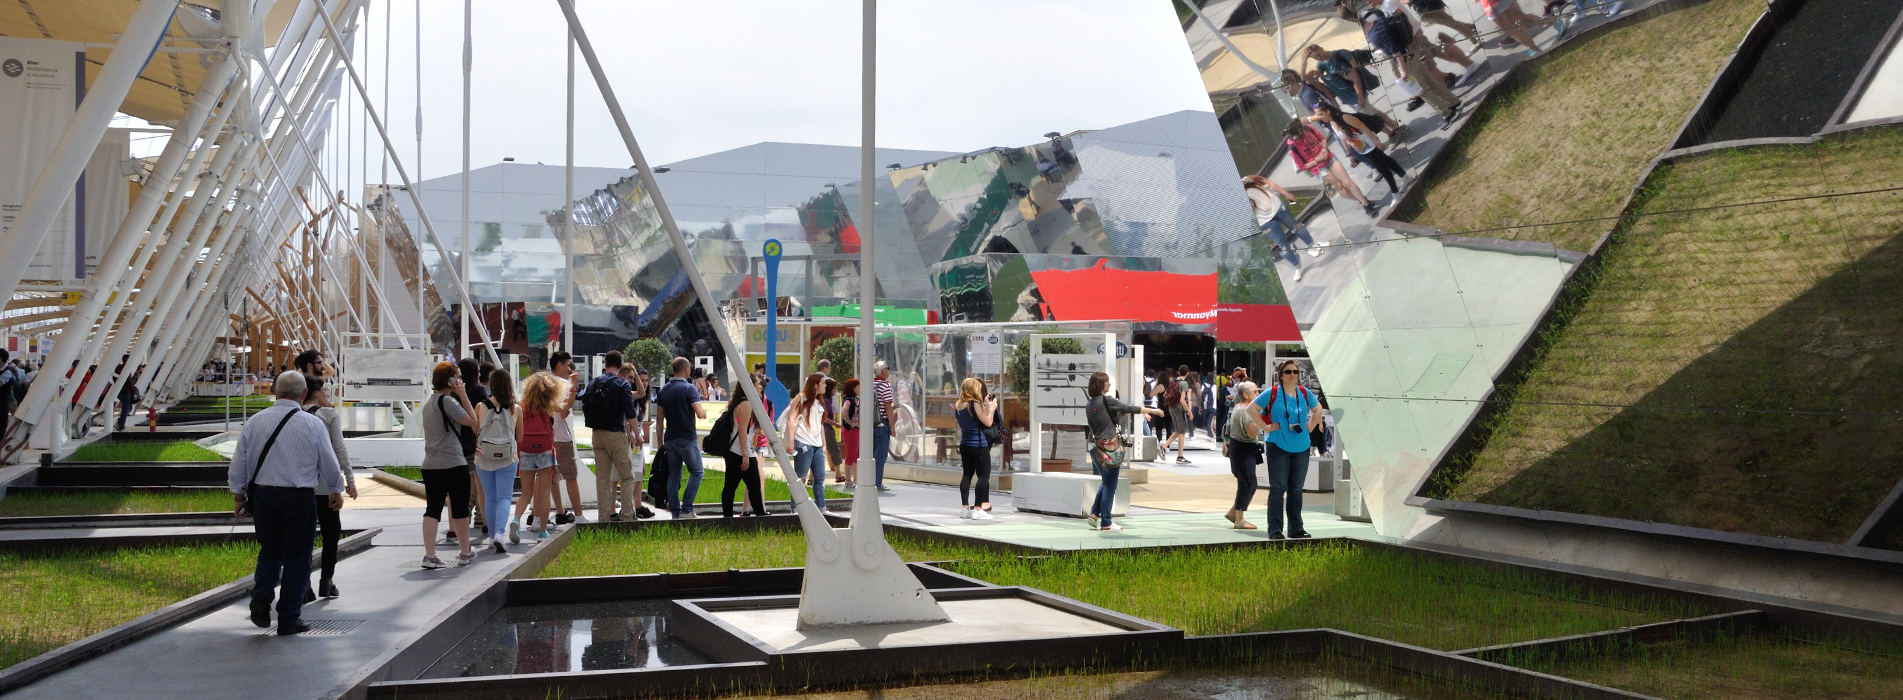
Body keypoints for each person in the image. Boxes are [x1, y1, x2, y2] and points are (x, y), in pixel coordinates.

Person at [227, 372, 344, 635]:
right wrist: (336, 490)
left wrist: (238, 496)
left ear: (276, 392)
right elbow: (329, 462)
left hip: (263, 498)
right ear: (303, 394)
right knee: (298, 557)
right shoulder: (312, 424)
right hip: (299, 498)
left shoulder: (255, 422)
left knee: (269, 550)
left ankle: (262, 597)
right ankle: (289, 618)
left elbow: (239, 463)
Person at [1083, 372, 1164, 531]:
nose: (1110, 384)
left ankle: (1094, 513)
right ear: (1101, 384)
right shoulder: (1107, 400)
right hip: (1110, 449)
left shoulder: (1089, 404)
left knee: (1105, 482)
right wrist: (1154, 411)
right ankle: (1106, 522)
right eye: (1107, 382)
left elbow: (1104, 421)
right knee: (1110, 485)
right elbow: (1130, 408)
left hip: (1096, 449)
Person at [300, 374, 356, 599]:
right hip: (326, 487)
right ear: (315, 392)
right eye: (324, 391)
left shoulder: (295, 415)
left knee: (303, 537)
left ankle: (304, 584)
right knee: (331, 534)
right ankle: (327, 581)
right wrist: (349, 481)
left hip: (302, 486)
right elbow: (339, 449)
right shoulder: (330, 414)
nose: (327, 395)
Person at [1255, 360, 1324, 540]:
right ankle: (1275, 529)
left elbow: (1318, 409)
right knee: (1278, 488)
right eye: (1288, 372)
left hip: (1301, 446)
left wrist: (1311, 426)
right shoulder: (1273, 392)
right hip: (1277, 445)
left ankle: (1296, 529)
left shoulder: (1304, 392)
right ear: (1281, 375)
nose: (1292, 374)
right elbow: (1251, 409)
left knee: (1296, 489)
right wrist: (1265, 427)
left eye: (1295, 371)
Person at [1361, 8, 1461, 129]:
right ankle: (1453, 101)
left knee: (1422, 91)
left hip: (1406, 63)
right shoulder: (1380, 22)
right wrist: (1374, 49)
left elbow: (1395, 52)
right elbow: (1389, 40)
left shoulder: (1375, 35)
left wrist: (1403, 71)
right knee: (1431, 82)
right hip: (1412, 55)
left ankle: (1447, 114)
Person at [421, 362, 478, 567]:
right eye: (458, 376)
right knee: (460, 509)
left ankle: (430, 555)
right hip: (453, 463)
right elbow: (473, 422)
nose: (461, 380)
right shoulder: (448, 401)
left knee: (432, 509)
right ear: (450, 380)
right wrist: (462, 394)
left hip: (430, 465)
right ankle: (465, 552)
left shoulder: (428, 403)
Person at [581, 351, 643, 523]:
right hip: (616, 435)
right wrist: (637, 435)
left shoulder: (594, 382)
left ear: (605, 363)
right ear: (620, 365)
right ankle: (628, 516)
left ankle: (603, 519)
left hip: (596, 435)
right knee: (627, 477)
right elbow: (630, 412)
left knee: (602, 479)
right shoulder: (621, 383)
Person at [1312, 104, 1408, 200]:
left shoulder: (1344, 117)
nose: (1320, 117)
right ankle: (1405, 177)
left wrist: (1377, 142)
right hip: (1362, 149)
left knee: (1382, 168)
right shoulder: (1332, 123)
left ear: (1328, 111)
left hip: (1370, 144)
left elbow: (1364, 127)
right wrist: (1349, 154)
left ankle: (1395, 193)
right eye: (1318, 115)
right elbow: (1343, 139)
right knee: (1386, 161)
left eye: (1321, 114)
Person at [1285, 120, 1375, 216]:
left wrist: (1324, 148)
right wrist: (1317, 159)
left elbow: (1322, 139)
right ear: (1295, 133)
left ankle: (1365, 202)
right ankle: (1359, 199)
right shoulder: (1293, 148)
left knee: (1347, 182)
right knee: (1339, 186)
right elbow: (1302, 166)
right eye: (1300, 129)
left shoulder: (1308, 128)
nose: (1303, 130)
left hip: (1329, 157)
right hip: (1319, 168)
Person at [473, 370, 520, 552]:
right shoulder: (516, 408)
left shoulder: (480, 406)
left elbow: (476, 432)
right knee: (504, 497)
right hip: (508, 458)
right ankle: (501, 533)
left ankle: (492, 536)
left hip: (484, 457)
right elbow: (520, 436)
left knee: (489, 498)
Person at [655, 356, 708, 518]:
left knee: (673, 476)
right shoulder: (689, 388)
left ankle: (675, 512)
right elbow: (699, 413)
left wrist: (659, 442)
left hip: (670, 438)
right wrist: (705, 413)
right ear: (685, 369)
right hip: (686, 437)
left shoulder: (664, 390)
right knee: (697, 472)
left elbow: (659, 420)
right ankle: (687, 509)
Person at [1299, 44, 1395, 128]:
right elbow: (1305, 81)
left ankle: (1394, 129)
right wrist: (1303, 63)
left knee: (1372, 115)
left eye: (1318, 54)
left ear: (1321, 48)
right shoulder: (1321, 64)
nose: (1318, 58)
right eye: (1315, 58)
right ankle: (1394, 127)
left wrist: (1360, 97)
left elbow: (1355, 77)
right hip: (1347, 98)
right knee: (1372, 114)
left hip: (1355, 95)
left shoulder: (1338, 57)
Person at [546, 352, 589, 525]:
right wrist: (573, 387)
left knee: (551, 478)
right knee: (570, 476)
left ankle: (559, 511)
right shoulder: (564, 384)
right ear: (559, 365)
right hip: (561, 437)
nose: (570, 368)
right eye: (567, 364)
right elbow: (563, 412)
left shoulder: (544, 382)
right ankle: (578, 515)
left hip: (546, 436)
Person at [453, 359, 491, 541]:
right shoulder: (481, 391)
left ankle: (455, 524)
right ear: (477, 373)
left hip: (457, 443)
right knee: (481, 484)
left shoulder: (453, 394)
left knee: (458, 487)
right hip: (477, 442)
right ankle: (482, 521)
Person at [952, 378, 999, 519]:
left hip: (965, 443)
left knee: (967, 474)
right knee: (984, 476)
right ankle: (978, 508)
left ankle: (964, 508)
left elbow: (972, 420)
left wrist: (984, 406)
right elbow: (988, 422)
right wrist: (992, 408)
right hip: (978, 444)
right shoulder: (974, 403)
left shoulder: (958, 404)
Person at [722, 376, 768, 517]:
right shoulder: (746, 404)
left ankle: (727, 517)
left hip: (734, 451)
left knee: (731, 486)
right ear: (750, 386)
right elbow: (742, 430)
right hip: (741, 452)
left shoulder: (737, 403)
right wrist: (746, 454)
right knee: (754, 485)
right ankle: (760, 515)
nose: (760, 387)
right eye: (758, 384)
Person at [781, 372, 829, 509]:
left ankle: (822, 508)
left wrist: (824, 444)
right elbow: (791, 419)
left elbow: (820, 424)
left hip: (817, 444)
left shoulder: (819, 401)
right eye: (823, 383)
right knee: (800, 477)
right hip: (803, 443)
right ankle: (795, 508)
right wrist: (791, 441)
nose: (825, 385)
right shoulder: (801, 398)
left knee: (819, 478)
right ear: (815, 385)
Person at [1225, 382, 1267, 530]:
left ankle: (1234, 513)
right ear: (1246, 395)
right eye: (1255, 392)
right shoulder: (1246, 411)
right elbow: (1251, 433)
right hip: (1244, 450)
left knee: (1245, 483)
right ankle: (1239, 519)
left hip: (1240, 449)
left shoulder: (1239, 408)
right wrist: (1260, 418)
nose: (1258, 394)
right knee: (1249, 483)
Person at [870, 360, 896, 492]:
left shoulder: (869, 385)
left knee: (872, 455)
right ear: (883, 371)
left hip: (870, 425)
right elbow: (888, 407)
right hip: (882, 424)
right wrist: (892, 427)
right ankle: (877, 482)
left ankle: (869, 480)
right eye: (888, 368)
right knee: (880, 455)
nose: (889, 371)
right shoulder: (886, 386)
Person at [822, 377, 846, 486]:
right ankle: (838, 474)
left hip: (824, 428)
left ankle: (811, 478)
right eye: (834, 388)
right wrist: (835, 424)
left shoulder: (825, 399)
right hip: (826, 428)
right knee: (835, 450)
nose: (835, 390)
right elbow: (825, 417)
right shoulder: (826, 400)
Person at [840, 378, 862, 483]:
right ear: (853, 388)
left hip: (856, 430)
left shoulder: (857, 400)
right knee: (851, 454)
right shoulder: (849, 400)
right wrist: (851, 423)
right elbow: (844, 412)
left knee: (856, 454)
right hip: (850, 431)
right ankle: (848, 479)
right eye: (858, 387)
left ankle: (856, 478)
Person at [115, 366, 142, 431]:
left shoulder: (118, 369)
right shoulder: (126, 369)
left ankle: (120, 422)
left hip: (119, 391)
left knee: (128, 408)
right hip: (126, 392)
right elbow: (129, 382)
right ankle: (121, 426)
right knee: (126, 409)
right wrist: (133, 393)